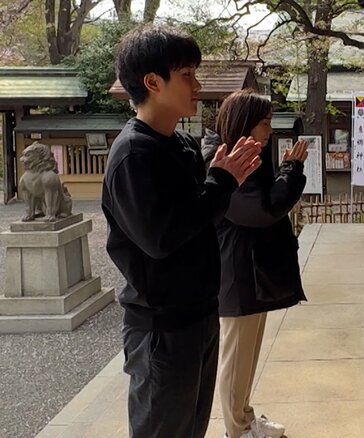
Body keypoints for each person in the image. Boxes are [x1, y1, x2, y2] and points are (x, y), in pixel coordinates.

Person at [102, 25, 261, 438]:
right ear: (153, 83)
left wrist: (224, 183)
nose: (198, 84)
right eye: (187, 74)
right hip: (162, 328)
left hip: (200, 315)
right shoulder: (134, 154)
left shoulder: (184, 145)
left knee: (190, 428)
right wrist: (221, 182)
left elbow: (203, 213)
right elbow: (161, 237)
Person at [202, 89, 309, 438]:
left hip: (251, 268)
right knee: (235, 361)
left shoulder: (247, 153)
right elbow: (261, 211)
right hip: (238, 271)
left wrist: (287, 170)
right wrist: (291, 171)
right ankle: (237, 430)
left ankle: (245, 419)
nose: (270, 130)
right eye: (265, 123)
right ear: (245, 123)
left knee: (245, 356)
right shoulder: (227, 158)